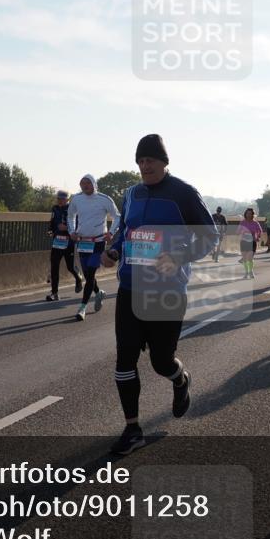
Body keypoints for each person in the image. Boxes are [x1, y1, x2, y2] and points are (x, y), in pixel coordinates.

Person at [100, 134, 216, 455]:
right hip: (130, 288)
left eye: (150, 160)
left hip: (167, 292)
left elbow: (209, 236)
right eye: (140, 161)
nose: (145, 165)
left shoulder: (183, 193)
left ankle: (180, 379)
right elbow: (125, 230)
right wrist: (112, 250)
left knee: (161, 361)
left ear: (164, 162)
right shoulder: (131, 194)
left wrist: (178, 257)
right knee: (124, 358)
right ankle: (132, 428)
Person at [67, 174, 120, 321]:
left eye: (87, 183)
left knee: (90, 274)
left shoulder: (104, 199)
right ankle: (98, 293)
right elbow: (70, 215)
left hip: (98, 242)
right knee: (88, 276)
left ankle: (82, 307)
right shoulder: (77, 199)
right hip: (83, 242)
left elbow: (117, 216)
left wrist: (111, 232)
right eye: (82, 183)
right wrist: (72, 231)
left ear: (93, 184)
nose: (84, 186)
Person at [46, 190, 83, 301]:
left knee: (70, 267)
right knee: (54, 266)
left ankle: (78, 277)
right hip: (57, 241)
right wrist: (50, 230)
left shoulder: (73, 209)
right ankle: (54, 293)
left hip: (69, 242)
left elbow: (78, 225)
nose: (60, 201)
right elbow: (52, 221)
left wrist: (66, 228)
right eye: (58, 198)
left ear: (67, 200)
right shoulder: (55, 208)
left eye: (62, 199)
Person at [237, 208, 262, 280]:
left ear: (252, 215)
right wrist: (242, 231)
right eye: (247, 213)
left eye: (250, 214)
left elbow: (260, 231)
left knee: (250, 258)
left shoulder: (255, 223)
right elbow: (238, 232)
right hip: (244, 242)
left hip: (252, 242)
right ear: (245, 214)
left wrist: (258, 237)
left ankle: (250, 271)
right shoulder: (242, 222)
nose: (248, 215)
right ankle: (246, 272)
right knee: (245, 259)